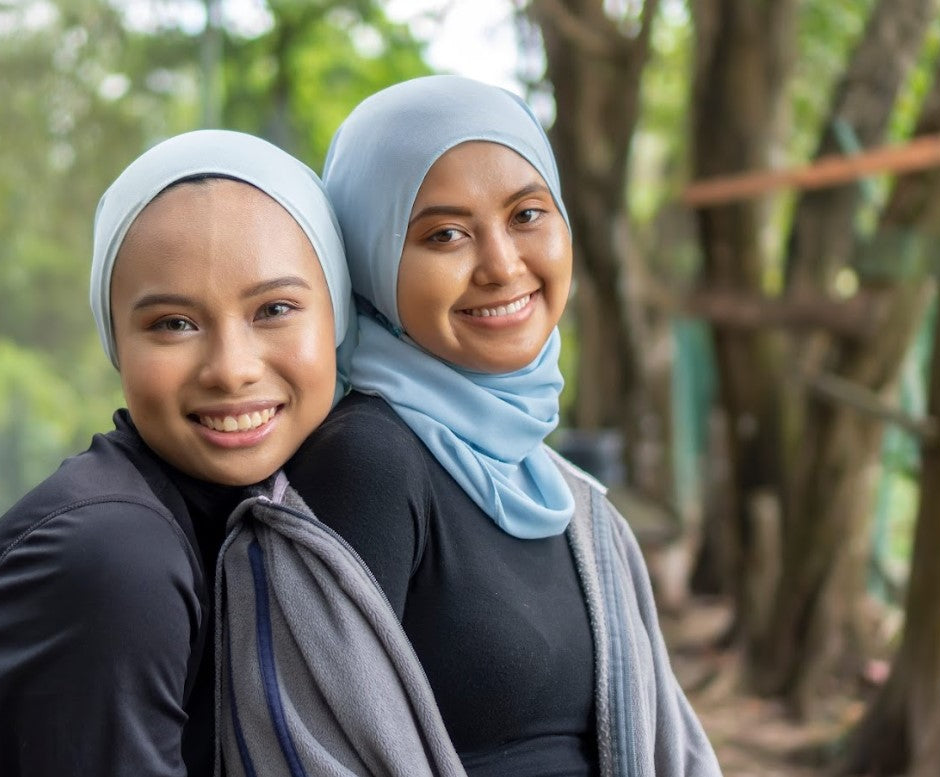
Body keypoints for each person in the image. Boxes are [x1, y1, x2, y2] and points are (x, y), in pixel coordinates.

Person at [0, 129, 356, 777]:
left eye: (274, 308)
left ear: (336, 319)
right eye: (174, 323)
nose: (231, 369)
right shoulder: (116, 553)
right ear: (116, 341)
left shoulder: (260, 520)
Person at [284, 75, 723, 777]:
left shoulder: (561, 489)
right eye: (445, 233)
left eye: (526, 214)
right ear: (371, 257)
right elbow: (312, 745)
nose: (501, 264)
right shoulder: (367, 463)